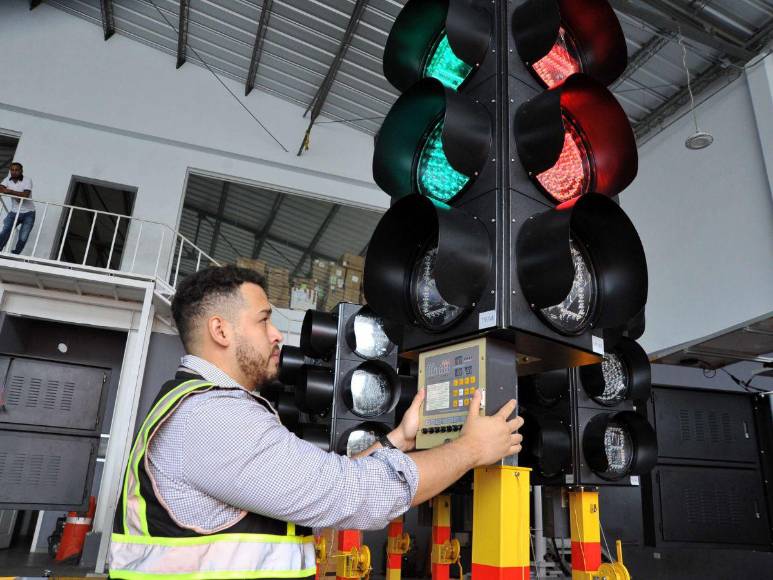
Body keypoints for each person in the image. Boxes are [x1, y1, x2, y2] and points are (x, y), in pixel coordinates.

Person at [108, 265, 524, 579]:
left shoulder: (202, 407)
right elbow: (347, 494)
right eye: (264, 319)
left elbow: (323, 480)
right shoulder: (210, 418)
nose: (276, 335)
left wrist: (397, 439)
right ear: (220, 330)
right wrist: (471, 449)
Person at [0, 162, 35, 254]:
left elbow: (25, 195)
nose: (14, 172)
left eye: (16, 170)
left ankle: (15, 253)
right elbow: (1, 188)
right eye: (12, 170)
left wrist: (10, 191)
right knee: (6, 230)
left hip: (29, 213)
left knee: (23, 236)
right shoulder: (7, 180)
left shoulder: (27, 180)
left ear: (21, 171)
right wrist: (16, 195)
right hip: (14, 212)